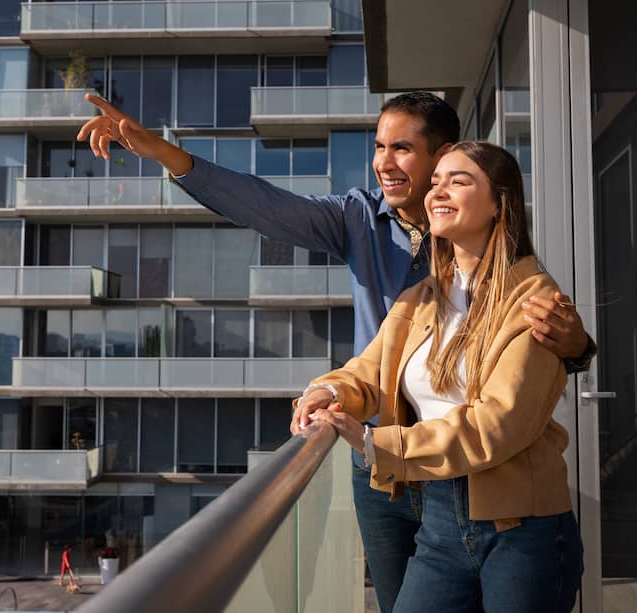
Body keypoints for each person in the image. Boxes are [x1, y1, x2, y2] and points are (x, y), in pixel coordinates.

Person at [77, 93, 594, 612]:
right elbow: (266, 209)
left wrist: (577, 348)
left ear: (447, 159)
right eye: (379, 147)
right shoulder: (375, 236)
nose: (384, 163)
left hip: (491, 493)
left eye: (404, 150)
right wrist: (327, 391)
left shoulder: (517, 286)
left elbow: (511, 391)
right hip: (390, 472)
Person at [293, 141, 584, 612]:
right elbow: (368, 373)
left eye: (459, 181)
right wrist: (327, 391)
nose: (438, 192)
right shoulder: (422, 298)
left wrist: (378, 445)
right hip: (441, 520)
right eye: (435, 182)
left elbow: (498, 425)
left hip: (523, 529)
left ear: (499, 203)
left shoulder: (535, 302)